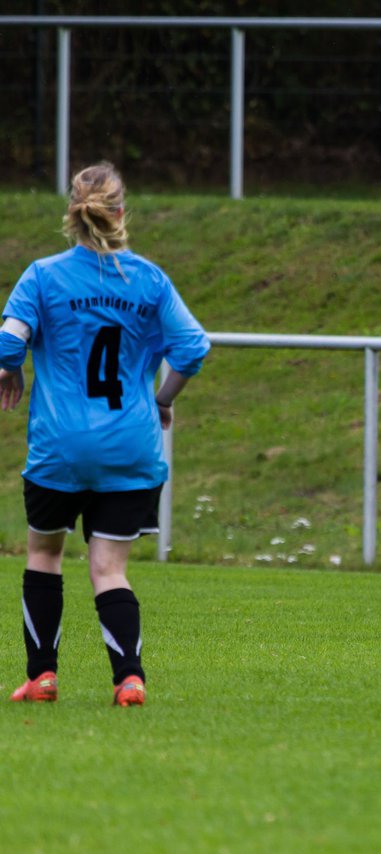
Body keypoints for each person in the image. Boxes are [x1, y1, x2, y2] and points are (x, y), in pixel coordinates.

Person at [1, 162, 210, 706]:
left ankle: (43, 676)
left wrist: (14, 369)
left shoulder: (43, 275)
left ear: (72, 212)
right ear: (121, 212)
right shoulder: (148, 279)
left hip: (60, 448)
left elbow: (7, 342)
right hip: (129, 447)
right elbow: (192, 349)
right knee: (108, 568)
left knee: (44, 555)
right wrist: (161, 401)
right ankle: (129, 679)